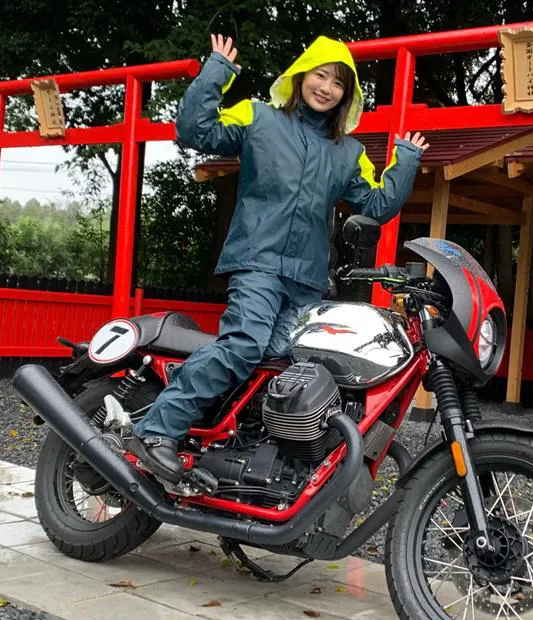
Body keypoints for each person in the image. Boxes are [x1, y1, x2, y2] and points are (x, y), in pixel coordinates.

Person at [130, 33, 429, 482]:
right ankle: (157, 429)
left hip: (307, 279)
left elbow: (377, 205)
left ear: (348, 96)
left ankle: (245, 458)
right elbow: (195, 131)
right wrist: (216, 70)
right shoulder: (258, 116)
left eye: (338, 83)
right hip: (257, 261)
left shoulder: (348, 152)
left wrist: (405, 159)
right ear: (300, 75)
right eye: (320, 74)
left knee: (290, 367)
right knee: (244, 345)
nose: (326, 87)